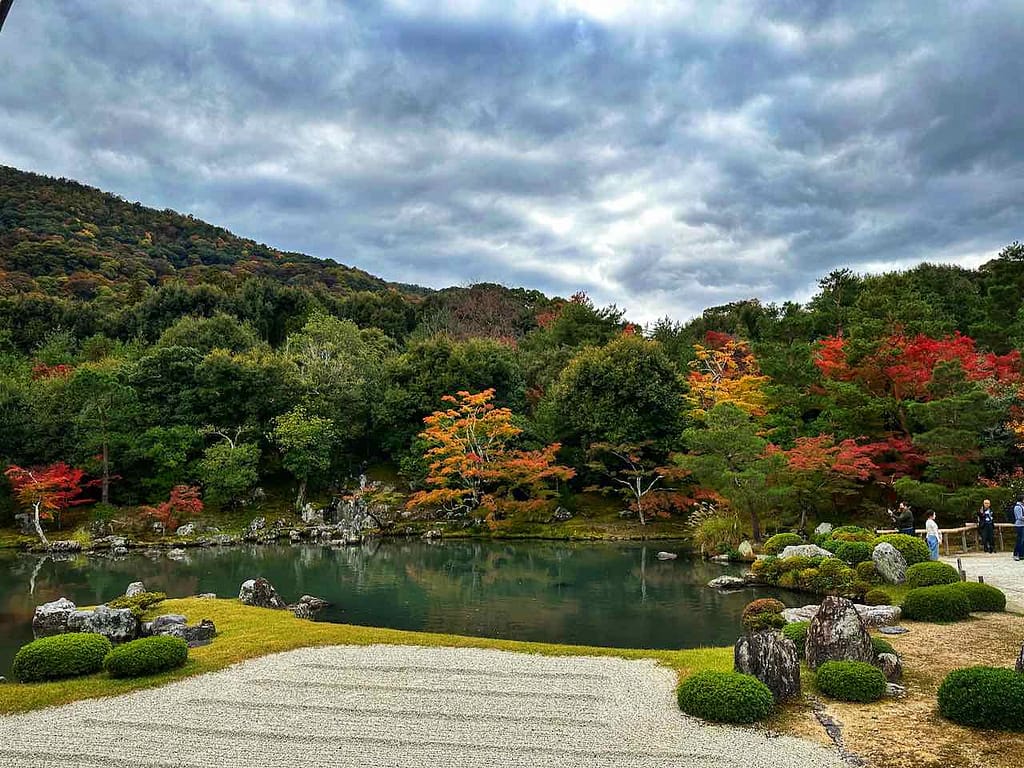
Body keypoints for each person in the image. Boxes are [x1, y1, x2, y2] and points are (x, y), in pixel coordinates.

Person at [1014, 496, 1024, 562]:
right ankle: (1016, 554)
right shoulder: (1018, 507)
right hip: (1019, 525)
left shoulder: (1022, 506)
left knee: (1022, 540)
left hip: (1023, 524)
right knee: (1019, 540)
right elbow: (1019, 517)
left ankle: (1021, 554)